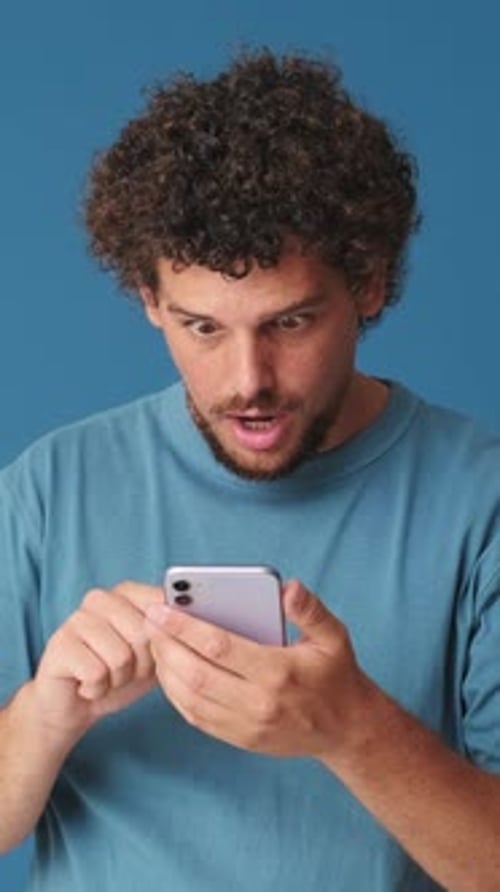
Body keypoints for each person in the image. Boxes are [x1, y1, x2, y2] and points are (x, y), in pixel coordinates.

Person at [1, 48, 499, 892]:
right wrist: (45, 716)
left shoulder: (481, 502)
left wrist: (353, 729)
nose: (248, 382)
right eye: (202, 328)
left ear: (369, 285)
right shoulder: (47, 489)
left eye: (290, 323)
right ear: (150, 300)